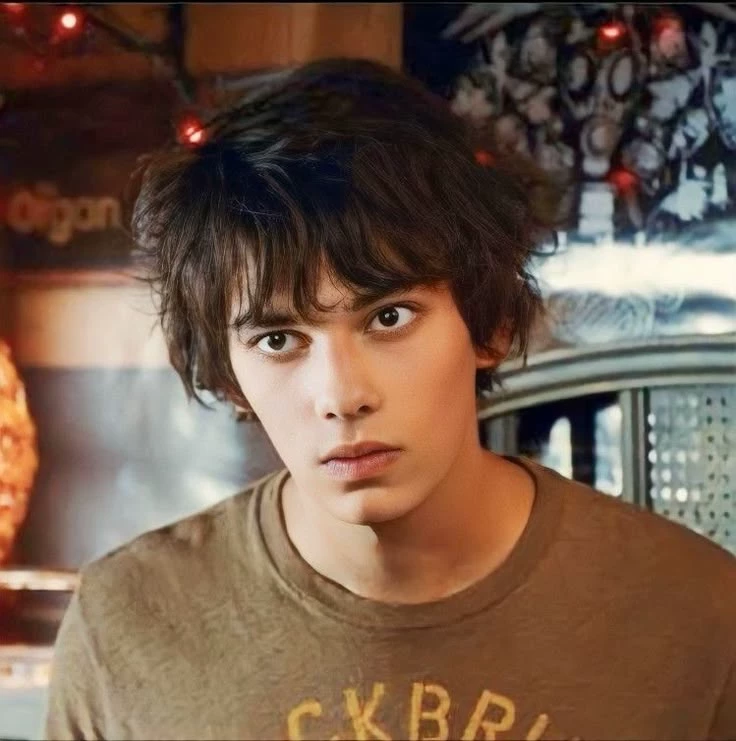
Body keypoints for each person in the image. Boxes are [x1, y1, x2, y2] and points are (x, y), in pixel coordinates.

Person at [44, 57, 735, 741]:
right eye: (279, 339)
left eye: (389, 318)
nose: (341, 395)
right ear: (228, 376)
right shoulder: (127, 623)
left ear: (491, 325)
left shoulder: (698, 614)